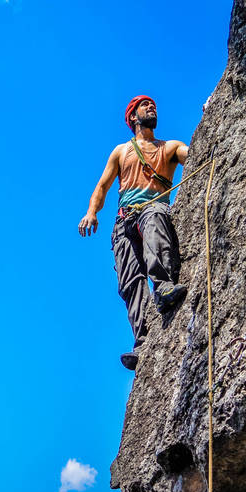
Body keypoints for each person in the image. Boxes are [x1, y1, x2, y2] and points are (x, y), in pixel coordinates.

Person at [78, 95, 190, 370]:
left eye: (153, 105)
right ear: (133, 117)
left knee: (154, 223)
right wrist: (91, 212)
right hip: (124, 220)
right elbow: (103, 186)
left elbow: (191, 153)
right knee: (130, 280)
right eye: (145, 105)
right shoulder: (121, 151)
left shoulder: (169, 147)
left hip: (153, 207)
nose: (152, 107)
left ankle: (163, 287)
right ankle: (142, 339)